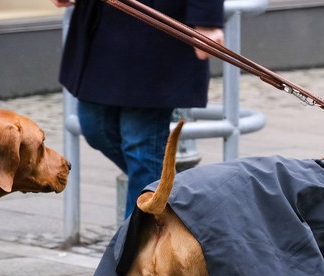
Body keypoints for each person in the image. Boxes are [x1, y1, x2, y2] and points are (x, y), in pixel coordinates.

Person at [51, 0, 225, 217]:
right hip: (104, 24)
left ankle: (132, 246)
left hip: (156, 24)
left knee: (141, 145)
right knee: (94, 126)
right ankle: (174, 192)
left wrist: (206, 20)